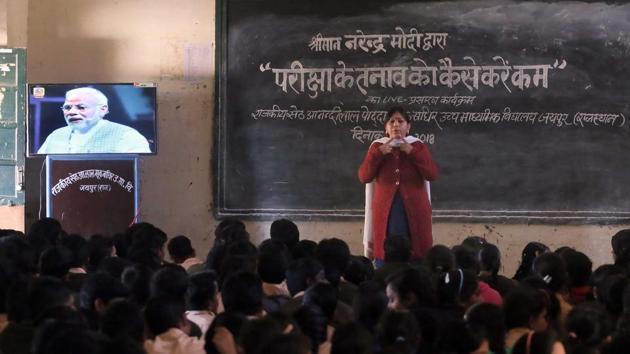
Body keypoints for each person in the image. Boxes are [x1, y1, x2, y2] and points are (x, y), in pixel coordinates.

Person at [358, 106, 439, 263]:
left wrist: (412, 152)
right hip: (386, 213)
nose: (396, 125)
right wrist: (379, 153)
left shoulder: (417, 146)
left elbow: (432, 174)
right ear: (386, 128)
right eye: (391, 121)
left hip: (415, 212)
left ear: (408, 127)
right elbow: (364, 177)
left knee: (415, 256)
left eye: (400, 121)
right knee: (387, 256)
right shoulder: (377, 147)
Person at [37, 87, 151, 154]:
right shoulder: (56, 135)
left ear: (102, 110)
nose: (71, 112)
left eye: (81, 107)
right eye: (67, 107)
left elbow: (143, 171)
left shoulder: (127, 136)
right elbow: (39, 168)